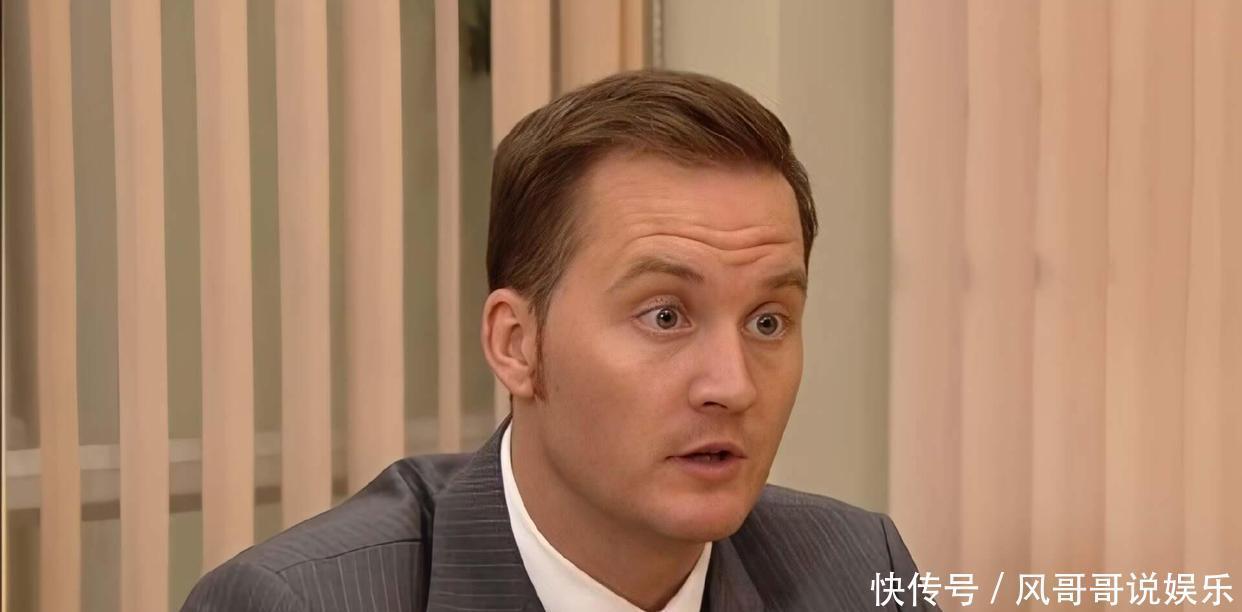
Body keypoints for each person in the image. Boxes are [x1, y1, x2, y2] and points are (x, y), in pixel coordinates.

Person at [183, 70, 934, 612]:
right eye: (664, 316)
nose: (733, 385)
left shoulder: (857, 572)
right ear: (517, 345)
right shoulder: (301, 600)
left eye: (768, 321)